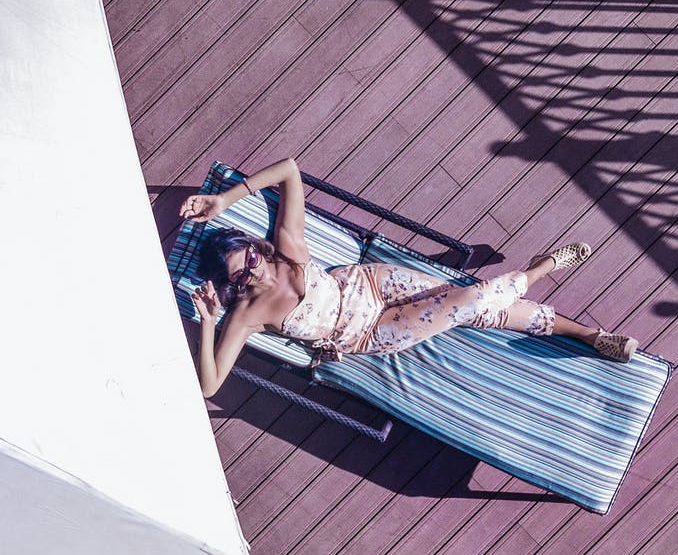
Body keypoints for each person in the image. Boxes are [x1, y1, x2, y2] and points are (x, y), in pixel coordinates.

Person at [181, 158, 638, 398]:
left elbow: (289, 170)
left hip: (372, 283)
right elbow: (208, 384)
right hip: (368, 333)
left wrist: (226, 199)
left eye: (251, 259)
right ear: (232, 284)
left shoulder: (288, 250)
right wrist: (207, 323)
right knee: (471, 301)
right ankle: (539, 270)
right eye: (241, 275)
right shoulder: (245, 315)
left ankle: (590, 335)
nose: (253, 272)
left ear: (256, 249)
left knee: (473, 309)